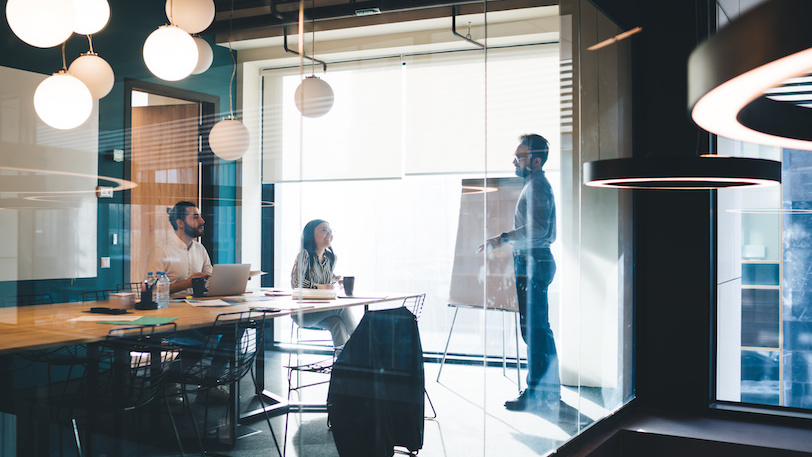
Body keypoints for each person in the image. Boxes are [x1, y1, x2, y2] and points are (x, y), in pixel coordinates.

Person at [479, 134, 560, 413]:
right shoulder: (534, 184)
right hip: (533, 261)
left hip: (533, 261)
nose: (514, 160)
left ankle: (538, 394)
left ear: (536, 161)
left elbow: (537, 230)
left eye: (520, 156)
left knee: (535, 332)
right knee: (537, 331)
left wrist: (501, 238)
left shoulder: (537, 186)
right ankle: (547, 393)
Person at [291, 219, 358, 348]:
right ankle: (363, 344)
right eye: (324, 230)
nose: (329, 234)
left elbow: (326, 278)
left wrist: (336, 279)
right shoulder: (304, 255)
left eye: (330, 231)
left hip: (322, 310)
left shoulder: (331, 258)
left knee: (336, 323)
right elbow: (296, 283)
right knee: (342, 307)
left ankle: (343, 363)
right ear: (311, 234)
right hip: (304, 313)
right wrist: (322, 287)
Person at [145, 201, 212, 295]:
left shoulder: (200, 249)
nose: (202, 221)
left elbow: (210, 280)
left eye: (200, 216)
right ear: (180, 223)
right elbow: (152, 289)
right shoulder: (161, 251)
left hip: (197, 306)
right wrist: (186, 284)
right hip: (170, 308)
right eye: (195, 217)